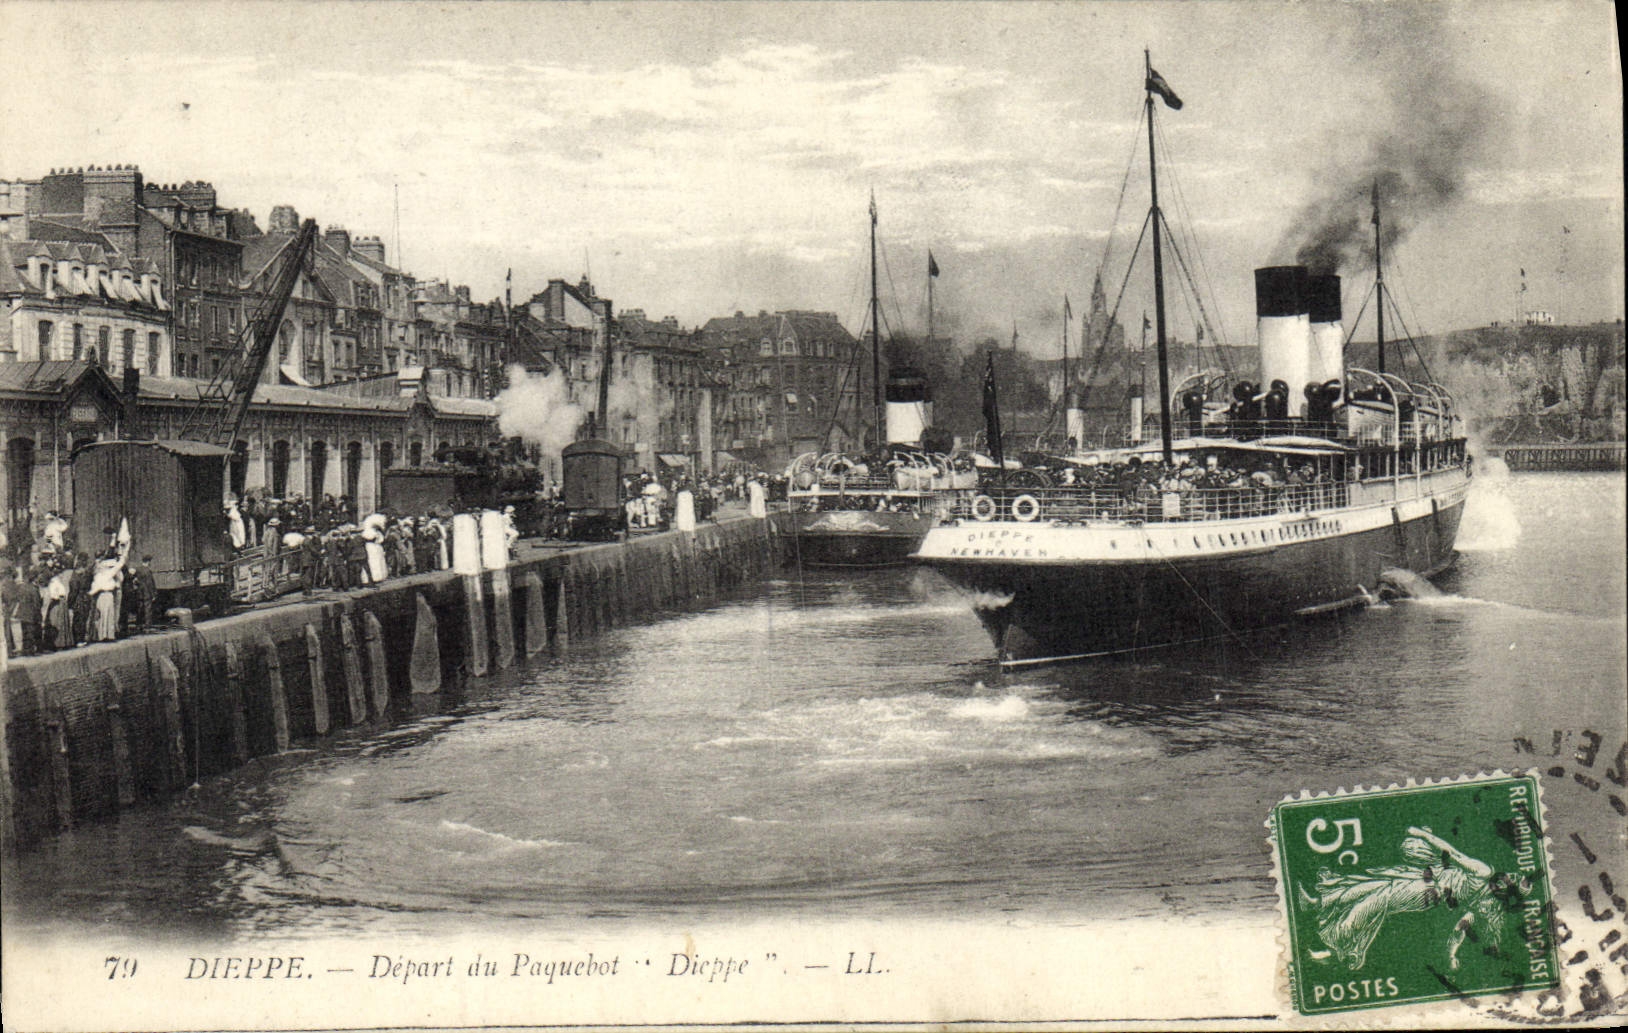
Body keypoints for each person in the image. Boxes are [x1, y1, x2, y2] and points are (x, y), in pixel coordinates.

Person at [1296, 825, 1528, 972]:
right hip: (1428, 874)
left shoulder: (1485, 887)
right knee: (1376, 882)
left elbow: (1460, 928)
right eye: (1513, 875)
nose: (1509, 875)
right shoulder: (1486, 881)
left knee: (1379, 898)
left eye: (1513, 879)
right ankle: (1320, 902)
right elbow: (1452, 857)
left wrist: (1451, 955)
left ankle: (1333, 946)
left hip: (1429, 893)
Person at [126, 555, 158, 632]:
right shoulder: (148, 571)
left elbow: (132, 578)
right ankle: (147, 626)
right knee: (148, 610)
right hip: (147, 593)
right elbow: (150, 583)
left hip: (139, 592)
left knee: (139, 609)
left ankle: (138, 625)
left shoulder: (138, 569)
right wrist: (153, 594)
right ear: (148, 562)